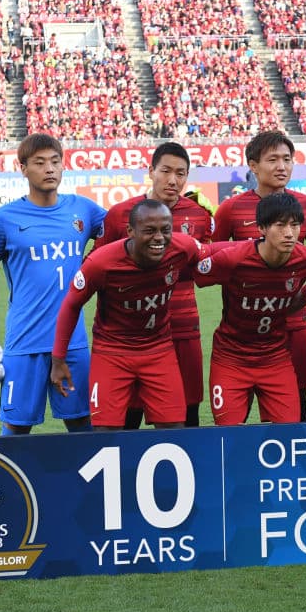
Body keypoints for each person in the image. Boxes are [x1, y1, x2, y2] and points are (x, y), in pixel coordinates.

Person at [0, 133, 106, 435]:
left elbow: (125, 231)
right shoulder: (3, 219)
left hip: (72, 342)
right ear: (23, 168)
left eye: (55, 162)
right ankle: (7, 483)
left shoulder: (83, 210)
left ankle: (88, 485)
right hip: (24, 341)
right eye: (40, 162)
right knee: (16, 429)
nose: (50, 169)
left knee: (82, 424)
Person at [51, 200, 210, 429]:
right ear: (130, 232)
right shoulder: (101, 263)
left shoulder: (183, 247)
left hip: (159, 349)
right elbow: (70, 306)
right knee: (106, 430)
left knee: (174, 427)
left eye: (165, 230)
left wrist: (260, 249)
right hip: (112, 352)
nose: (159, 238)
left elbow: (214, 253)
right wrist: (58, 359)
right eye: (149, 231)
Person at [213, 131, 306, 421]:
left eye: (288, 159)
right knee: (237, 412)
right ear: (253, 166)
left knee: (295, 406)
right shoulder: (231, 209)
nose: (282, 166)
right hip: (241, 331)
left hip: (293, 323)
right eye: (273, 160)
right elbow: (212, 255)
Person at [95, 142, 214, 427]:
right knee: (127, 419)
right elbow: (98, 267)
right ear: (151, 171)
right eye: (166, 171)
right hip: (131, 335)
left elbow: (207, 268)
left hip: (182, 326)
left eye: (181, 174)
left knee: (187, 415)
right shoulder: (120, 215)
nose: (173, 180)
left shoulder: (199, 215)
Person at [195, 192, 306, 426]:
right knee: (228, 435)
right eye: (280, 225)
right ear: (262, 228)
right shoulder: (233, 259)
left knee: (288, 432)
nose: (289, 232)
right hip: (230, 358)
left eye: (295, 225)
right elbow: (194, 270)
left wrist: (299, 302)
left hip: (275, 358)